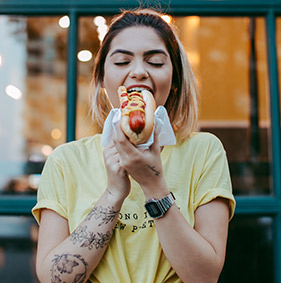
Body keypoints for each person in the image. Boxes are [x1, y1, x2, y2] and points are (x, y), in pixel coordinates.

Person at [32, 9, 235, 283]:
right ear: (102, 79)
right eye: (122, 61)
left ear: (174, 80)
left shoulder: (204, 151)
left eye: (155, 62)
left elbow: (205, 276)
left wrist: (153, 185)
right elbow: (53, 279)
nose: (138, 72)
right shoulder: (66, 161)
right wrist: (114, 193)